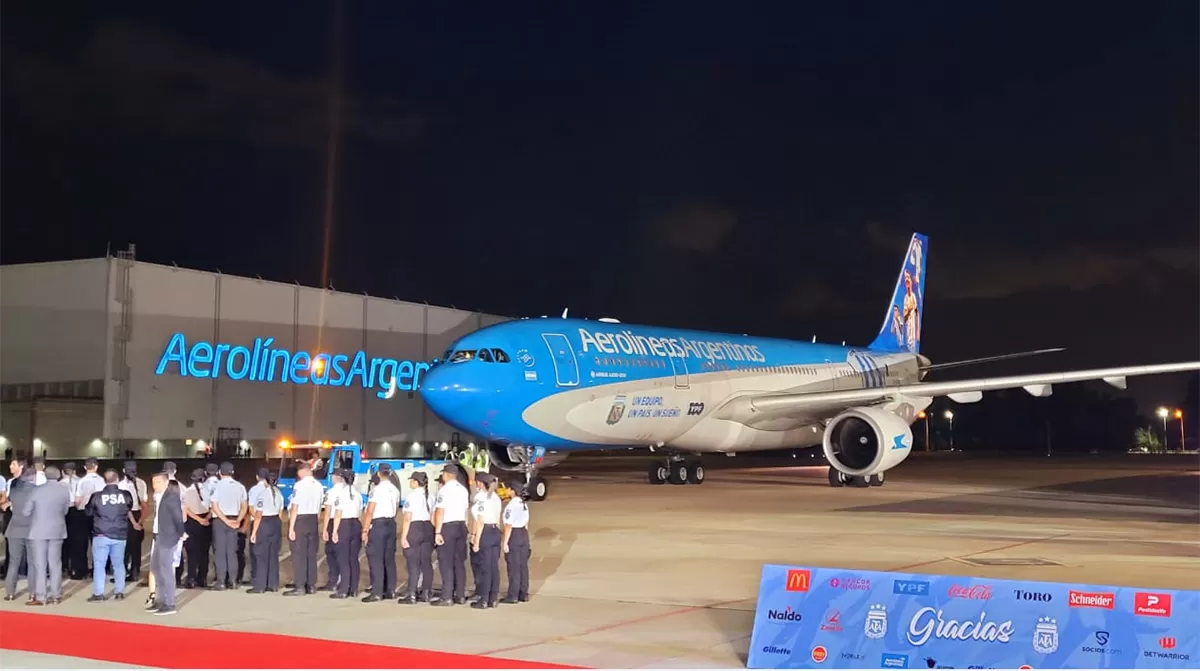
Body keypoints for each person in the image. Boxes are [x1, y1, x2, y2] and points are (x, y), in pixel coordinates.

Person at [85, 470, 135, 602]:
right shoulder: (125, 495)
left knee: (99, 564)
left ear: (104, 480)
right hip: (120, 534)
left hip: (101, 533)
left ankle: (99, 593)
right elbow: (129, 507)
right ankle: (119, 591)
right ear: (117, 479)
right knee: (119, 564)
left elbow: (88, 512)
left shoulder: (96, 496)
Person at [25, 466, 70, 606]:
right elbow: (66, 510)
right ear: (58, 476)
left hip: (38, 531)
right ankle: (56, 595)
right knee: (55, 564)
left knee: (40, 565)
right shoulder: (64, 490)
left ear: (44, 475)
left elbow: (26, 511)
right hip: (57, 530)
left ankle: (41, 596)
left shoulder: (37, 490)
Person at [432, 463, 469, 606]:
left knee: (446, 563)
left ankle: (447, 596)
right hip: (461, 526)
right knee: (459, 563)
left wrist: (437, 532)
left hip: (448, 527)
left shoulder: (444, 491)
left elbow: (440, 512)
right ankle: (460, 595)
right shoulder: (463, 490)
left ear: (446, 475)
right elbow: (466, 512)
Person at [361, 464, 400, 602]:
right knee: (389, 559)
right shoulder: (395, 489)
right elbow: (395, 509)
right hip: (390, 523)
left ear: (378, 474)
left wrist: (365, 530)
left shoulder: (376, 490)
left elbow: (370, 511)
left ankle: (377, 592)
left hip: (378, 525)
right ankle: (390, 590)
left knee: (376, 558)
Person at [148, 473, 186, 615]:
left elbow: (178, 516)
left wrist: (181, 532)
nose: (154, 485)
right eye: (153, 482)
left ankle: (169, 603)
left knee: (166, 571)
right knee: (156, 568)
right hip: (159, 536)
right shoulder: (160, 497)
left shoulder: (171, 497)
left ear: (165, 482)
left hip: (167, 537)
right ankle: (161, 599)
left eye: (157, 482)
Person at [283, 462, 323, 596]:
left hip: (301, 519)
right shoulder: (318, 486)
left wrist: (291, 527)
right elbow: (319, 507)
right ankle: (311, 585)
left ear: (302, 471)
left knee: (299, 555)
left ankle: (300, 585)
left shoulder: (299, 486)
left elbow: (295, 507)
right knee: (311, 554)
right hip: (313, 519)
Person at [208, 462, 247, 591]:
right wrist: (238, 520)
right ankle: (233, 581)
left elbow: (214, 506)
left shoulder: (217, 486)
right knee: (232, 552)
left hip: (220, 520)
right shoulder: (240, 487)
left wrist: (224, 520)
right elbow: (244, 507)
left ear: (219, 472)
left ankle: (221, 581)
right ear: (232, 472)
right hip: (234, 519)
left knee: (220, 552)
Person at [398, 471, 434, 604]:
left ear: (415, 482)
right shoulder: (430, 496)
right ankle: (426, 592)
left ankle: (411, 593)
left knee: (413, 563)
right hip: (427, 527)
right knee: (426, 562)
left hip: (415, 527)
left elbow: (408, 517)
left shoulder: (412, 496)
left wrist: (403, 536)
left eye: (411, 480)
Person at [469, 473, 503, 609]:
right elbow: (498, 516)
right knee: (494, 567)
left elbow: (480, 520)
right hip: (495, 531)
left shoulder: (482, 498)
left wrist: (476, 540)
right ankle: (493, 598)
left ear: (481, 483)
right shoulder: (496, 498)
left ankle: (484, 599)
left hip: (485, 533)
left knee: (485, 568)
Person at [327, 469, 362, 599]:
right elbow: (360, 512)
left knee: (343, 558)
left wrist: (335, 531)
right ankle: (353, 588)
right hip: (356, 523)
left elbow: (338, 513)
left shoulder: (341, 494)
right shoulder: (357, 494)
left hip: (344, 524)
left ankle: (343, 589)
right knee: (353, 559)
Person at [248, 469, 283, 594]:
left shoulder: (263, 494)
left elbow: (258, 515)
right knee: (273, 554)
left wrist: (253, 533)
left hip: (264, 523)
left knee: (261, 555)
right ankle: (272, 584)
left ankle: (260, 585)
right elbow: (280, 512)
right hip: (276, 522)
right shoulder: (279, 493)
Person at [3, 466, 35, 600]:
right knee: (33, 563)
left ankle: (10, 593)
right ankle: (32, 594)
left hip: (14, 529)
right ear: (32, 477)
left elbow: (7, 505)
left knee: (14, 562)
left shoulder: (14, 492)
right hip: (32, 529)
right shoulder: (36, 491)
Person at [71, 458, 105, 580]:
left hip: (83, 513)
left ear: (85, 467)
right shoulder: (102, 481)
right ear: (96, 467)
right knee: (98, 543)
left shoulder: (82, 481)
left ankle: (82, 570)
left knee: (81, 543)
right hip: (98, 514)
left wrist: (77, 505)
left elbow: (78, 499)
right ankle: (98, 569)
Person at [117, 462, 149, 583]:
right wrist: (140, 521)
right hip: (138, 514)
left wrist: (134, 522)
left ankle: (123, 571)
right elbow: (145, 505)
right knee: (136, 547)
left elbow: (125, 507)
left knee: (124, 547)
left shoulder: (121, 485)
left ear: (124, 470)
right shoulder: (142, 483)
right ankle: (135, 571)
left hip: (126, 517)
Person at [500, 478, 531, 604]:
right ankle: (523, 593)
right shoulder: (523, 504)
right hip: (523, 534)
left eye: (508, 488)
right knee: (523, 566)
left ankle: (513, 595)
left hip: (514, 535)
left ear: (512, 491)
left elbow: (508, 526)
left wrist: (505, 542)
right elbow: (526, 523)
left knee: (513, 567)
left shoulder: (511, 506)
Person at [181, 469, 211, 588]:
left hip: (192, 522)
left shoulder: (188, 491)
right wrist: (205, 519)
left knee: (192, 553)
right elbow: (212, 507)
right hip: (206, 521)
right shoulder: (208, 490)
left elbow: (186, 509)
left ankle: (191, 578)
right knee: (204, 552)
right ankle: (202, 578)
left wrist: (198, 520)